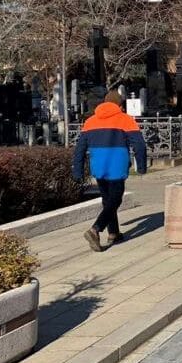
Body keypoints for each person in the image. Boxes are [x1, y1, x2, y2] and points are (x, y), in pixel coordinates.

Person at [72, 90, 147, 252]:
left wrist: (77, 171)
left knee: (107, 200)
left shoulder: (90, 121)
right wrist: (141, 166)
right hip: (117, 166)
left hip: (98, 167)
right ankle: (96, 229)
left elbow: (79, 149)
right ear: (119, 105)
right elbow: (139, 145)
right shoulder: (125, 120)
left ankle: (113, 233)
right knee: (115, 200)